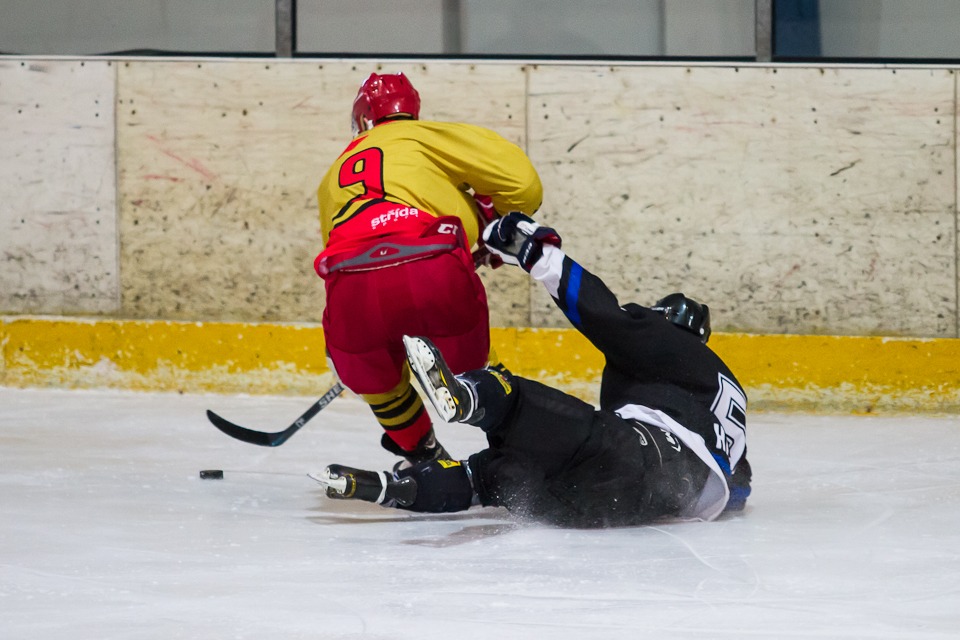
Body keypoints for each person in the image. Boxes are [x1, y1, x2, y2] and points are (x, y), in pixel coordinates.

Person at [312, 212, 752, 528]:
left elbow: (605, 317)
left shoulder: (669, 342)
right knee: (498, 476)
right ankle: (392, 488)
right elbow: (740, 489)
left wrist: (537, 253)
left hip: (643, 455)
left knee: (518, 403)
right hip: (629, 506)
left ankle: (467, 399)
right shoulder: (719, 392)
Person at [315, 72, 543, 468]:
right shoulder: (427, 137)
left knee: (380, 384)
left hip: (351, 289)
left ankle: (425, 460)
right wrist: (496, 229)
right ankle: (532, 452)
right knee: (476, 374)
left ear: (363, 118)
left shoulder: (332, 176)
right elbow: (524, 186)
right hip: (432, 269)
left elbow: (338, 249)